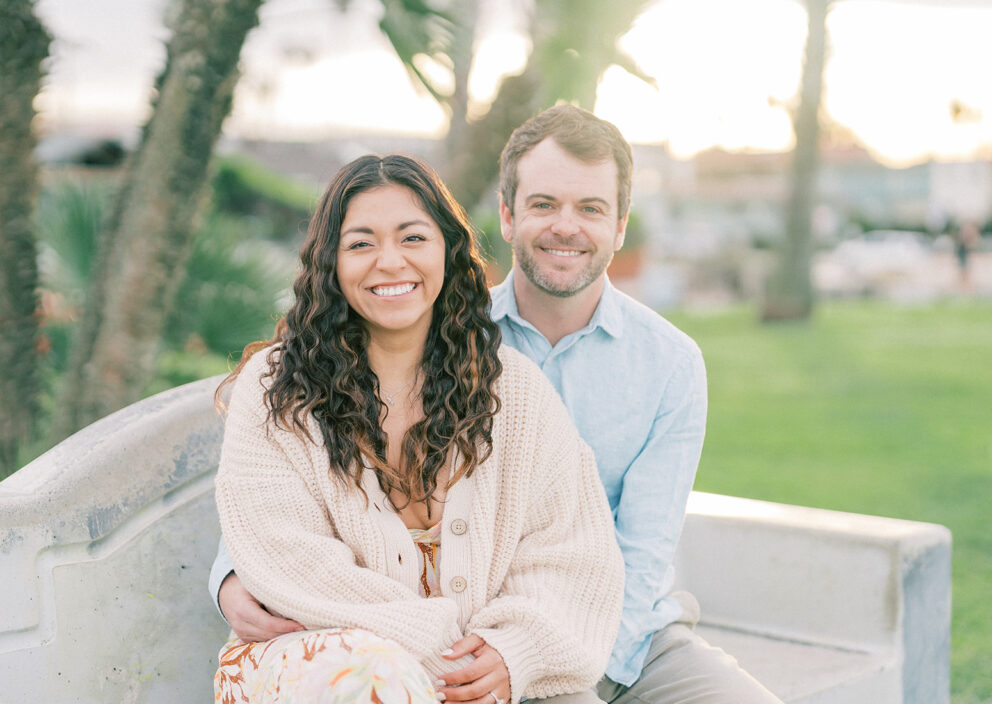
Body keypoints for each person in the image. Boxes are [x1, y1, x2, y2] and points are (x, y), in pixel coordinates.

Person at [212, 107, 782, 703]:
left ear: (620, 226)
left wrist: (539, 661)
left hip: (603, 636)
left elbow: (629, 554)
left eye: (591, 207)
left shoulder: (646, 365)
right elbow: (270, 518)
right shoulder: (437, 325)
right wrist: (229, 574)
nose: (566, 226)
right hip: (402, 650)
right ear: (507, 216)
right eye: (543, 204)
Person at [212, 153, 624, 704]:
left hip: (474, 673)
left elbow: (571, 553)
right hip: (323, 663)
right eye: (360, 244)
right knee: (374, 679)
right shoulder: (277, 390)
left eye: (412, 238)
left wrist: (510, 652)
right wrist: (439, 653)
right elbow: (287, 557)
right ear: (330, 263)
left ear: (448, 253)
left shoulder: (516, 393)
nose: (389, 262)